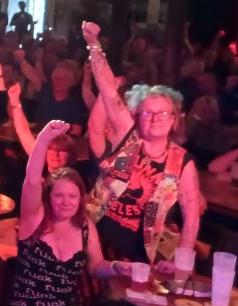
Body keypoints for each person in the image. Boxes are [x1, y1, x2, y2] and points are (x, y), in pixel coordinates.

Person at [5, 121, 131, 306]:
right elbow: (31, 180)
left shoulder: (85, 227)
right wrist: (43, 139)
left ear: (80, 198)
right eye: (59, 196)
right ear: (49, 196)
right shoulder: (34, 220)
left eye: (72, 196)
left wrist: (116, 267)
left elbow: (96, 266)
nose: (66, 202)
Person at [82, 21, 201, 267]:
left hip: (147, 256)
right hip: (97, 239)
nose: (156, 119)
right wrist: (94, 45)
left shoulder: (182, 161)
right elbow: (107, 89)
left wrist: (181, 262)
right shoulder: (127, 134)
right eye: (148, 113)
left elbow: (191, 217)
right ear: (137, 116)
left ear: (174, 119)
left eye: (163, 113)